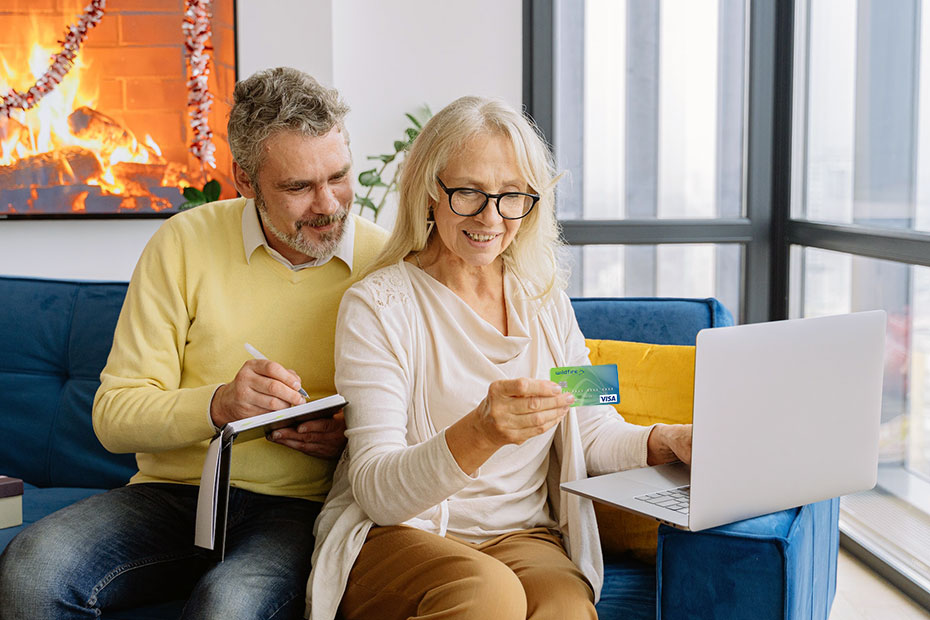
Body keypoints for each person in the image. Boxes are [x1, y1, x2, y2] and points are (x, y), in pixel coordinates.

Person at [0, 67, 388, 619]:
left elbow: (413, 427)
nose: (328, 205)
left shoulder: (387, 261)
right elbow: (113, 417)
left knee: (225, 608)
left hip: (300, 509)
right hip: (172, 497)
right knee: (29, 570)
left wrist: (348, 439)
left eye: (340, 176)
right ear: (246, 181)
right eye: (298, 187)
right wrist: (219, 404)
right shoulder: (184, 242)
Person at [306, 96, 692, 620]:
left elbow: (595, 430)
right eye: (468, 193)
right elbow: (376, 491)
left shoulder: (546, 299)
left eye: (513, 196)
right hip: (399, 535)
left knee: (566, 607)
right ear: (428, 193)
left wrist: (664, 439)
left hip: (523, 533)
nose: (491, 217)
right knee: (488, 595)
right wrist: (482, 431)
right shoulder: (378, 305)